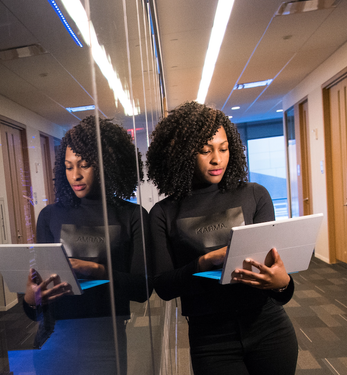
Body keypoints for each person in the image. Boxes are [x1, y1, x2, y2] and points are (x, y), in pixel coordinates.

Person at [146, 101, 298, 374]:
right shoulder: (163, 213)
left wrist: (282, 283)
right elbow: (164, 287)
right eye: (205, 150)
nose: (217, 159)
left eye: (224, 148)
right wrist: (204, 262)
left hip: (268, 327)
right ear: (182, 154)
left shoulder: (254, 195)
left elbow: (277, 279)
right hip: (211, 339)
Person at [21, 116, 150, 375]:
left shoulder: (132, 216)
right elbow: (39, 302)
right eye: (68, 167)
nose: (75, 175)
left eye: (84, 165)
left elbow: (142, 289)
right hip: (55, 338)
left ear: (105, 166)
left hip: (106, 341)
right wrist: (30, 299)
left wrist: (95, 270)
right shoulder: (50, 216)